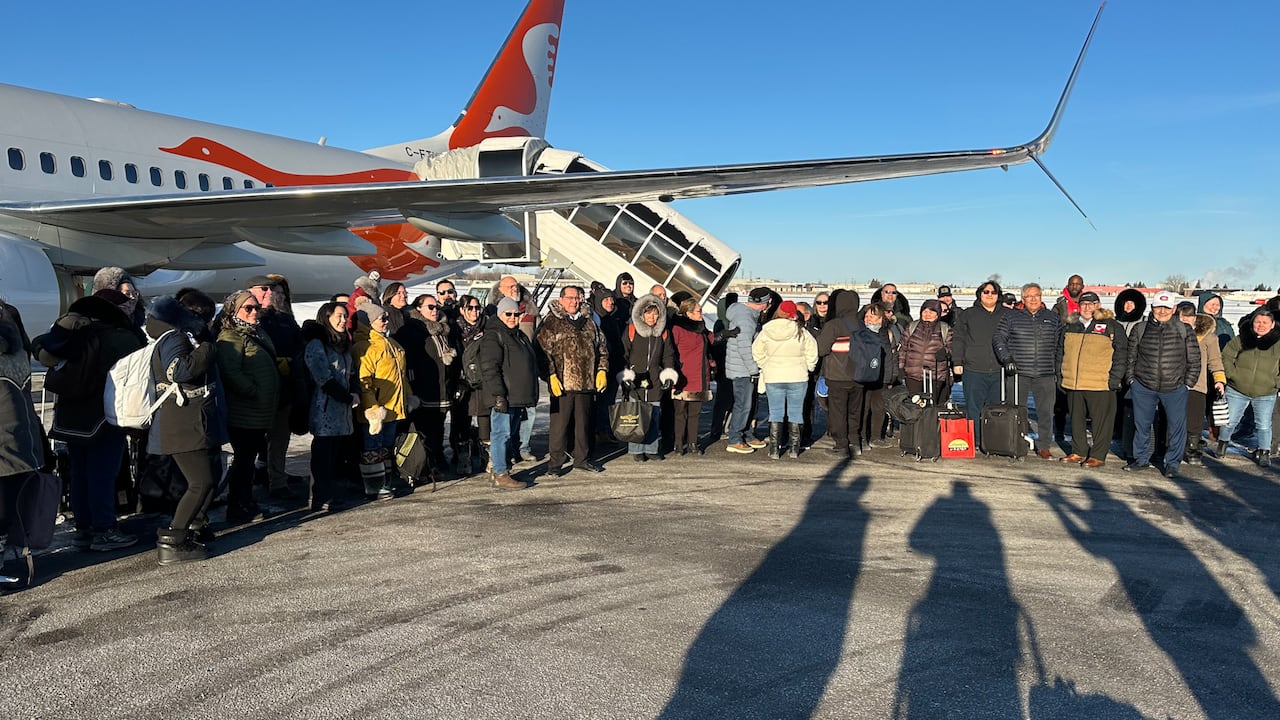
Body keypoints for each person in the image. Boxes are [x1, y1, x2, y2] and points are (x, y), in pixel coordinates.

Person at [33, 290, 146, 552]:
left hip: (70, 416)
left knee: (81, 474)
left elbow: (40, 344)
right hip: (103, 414)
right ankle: (105, 530)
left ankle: (83, 530)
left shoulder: (71, 335)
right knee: (102, 475)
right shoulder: (120, 338)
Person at [144, 292, 226, 564]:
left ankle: (191, 528)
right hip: (182, 423)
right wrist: (207, 347)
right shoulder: (175, 338)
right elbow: (178, 371)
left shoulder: (175, 338)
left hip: (188, 421)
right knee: (200, 482)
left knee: (207, 479)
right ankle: (174, 539)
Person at [215, 290, 281, 523]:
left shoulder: (257, 333)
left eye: (256, 308)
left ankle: (246, 500)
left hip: (260, 410)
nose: (255, 313)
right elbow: (231, 372)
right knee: (243, 461)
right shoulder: (230, 337)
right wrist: (253, 391)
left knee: (249, 459)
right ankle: (237, 505)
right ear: (234, 312)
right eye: (248, 308)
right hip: (244, 412)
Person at [1123, 290, 1201, 478]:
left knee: (1176, 427)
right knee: (1142, 425)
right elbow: (1131, 357)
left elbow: (1195, 360)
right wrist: (1132, 380)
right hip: (1144, 385)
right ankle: (1140, 459)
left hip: (1175, 388)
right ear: (1152, 307)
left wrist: (1187, 384)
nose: (1162, 311)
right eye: (1159, 307)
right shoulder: (1140, 328)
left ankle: (1172, 463)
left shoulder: (1184, 329)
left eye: (1167, 307)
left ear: (1174, 308)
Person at [243, 274, 305, 500]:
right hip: (254, 390)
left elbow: (298, 344)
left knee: (280, 437)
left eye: (273, 290)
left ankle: (277, 481)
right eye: (264, 289)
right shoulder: (242, 318)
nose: (270, 294)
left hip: (283, 386)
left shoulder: (283, 318)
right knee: (252, 441)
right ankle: (248, 483)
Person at [537, 286, 608, 476]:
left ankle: (582, 459)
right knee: (559, 428)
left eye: (576, 298)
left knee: (583, 425)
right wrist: (550, 374)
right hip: (562, 385)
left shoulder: (589, 322)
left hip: (586, 383)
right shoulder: (551, 323)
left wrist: (602, 370)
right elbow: (543, 353)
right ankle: (555, 465)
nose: (573, 302)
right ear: (561, 300)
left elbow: (602, 348)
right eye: (569, 298)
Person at [993, 283, 1063, 460]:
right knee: (1017, 411)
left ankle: (1044, 446)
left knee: (1046, 412)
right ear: (1023, 299)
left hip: (1045, 373)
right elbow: (999, 338)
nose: (1033, 299)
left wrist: (1057, 368)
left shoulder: (1052, 318)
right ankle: (1016, 442)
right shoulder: (1011, 316)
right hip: (1019, 372)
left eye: (1036, 295)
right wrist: (1006, 358)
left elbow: (1060, 345)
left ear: (1041, 297)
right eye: (1029, 296)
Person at [1057, 292, 1127, 467]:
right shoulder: (1070, 326)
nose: (1087, 307)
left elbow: (1121, 354)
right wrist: (1060, 375)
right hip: (1074, 382)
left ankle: (1098, 454)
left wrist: (1115, 377)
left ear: (1098, 305)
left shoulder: (1111, 326)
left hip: (1100, 383)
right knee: (1076, 420)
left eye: (1091, 304)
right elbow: (1059, 352)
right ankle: (1078, 450)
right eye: (1083, 304)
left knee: (1102, 422)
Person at [301, 302, 358, 512]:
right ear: (327, 317)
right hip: (324, 407)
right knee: (323, 454)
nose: (344, 321)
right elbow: (322, 377)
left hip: (342, 410)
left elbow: (350, 373)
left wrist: (354, 392)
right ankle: (319, 496)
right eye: (339, 316)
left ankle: (332, 491)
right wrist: (346, 397)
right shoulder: (317, 344)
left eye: (345, 317)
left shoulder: (342, 343)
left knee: (335, 455)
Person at [352, 303, 410, 499]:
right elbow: (364, 381)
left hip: (394, 407)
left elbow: (401, 376)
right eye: (381, 319)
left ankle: (386, 481)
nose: (386, 322)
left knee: (385, 446)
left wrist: (409, 397)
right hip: (376, 411)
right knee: (372, 447)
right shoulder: (365, 347)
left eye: (386, 318)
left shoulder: (391, 344)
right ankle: (374, 485)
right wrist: (372, 409)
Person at [479, 297, 537, 488]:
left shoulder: (518, 335)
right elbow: (490, 367)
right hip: (503, 395)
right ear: (500, 315)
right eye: (508, 314)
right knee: (501, 434)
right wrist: (498, 395)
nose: (513, 318)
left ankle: (500, 469)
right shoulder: (494, 335)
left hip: (517, 396)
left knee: (509, 434)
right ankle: (500, 472)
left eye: (516, 314)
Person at [752, 300, 818, 459]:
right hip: (797, 376)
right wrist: (809, 367)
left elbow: (757, 351)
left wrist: (765, 364)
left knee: (775, 412)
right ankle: (794, 449)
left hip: (774, 376)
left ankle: (774, 450)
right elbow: (812, 351)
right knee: (796, 412)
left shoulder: (766, 330)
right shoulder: (801, 331)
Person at [1216, 309, 1280, 467]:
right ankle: (1222, 443)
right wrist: (1232, 374)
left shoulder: (1277, 343)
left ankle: (1264, 452)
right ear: (1252, 323)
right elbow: (1227, 356)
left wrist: (1276, 382)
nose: (1261, 325)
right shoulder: (1242, 339)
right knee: (1230, 421)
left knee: (1264, 425)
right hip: (1237, 389)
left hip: (1266, 392)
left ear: (1272, 325)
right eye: (1258, 322)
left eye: (1265, 322)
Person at [619, 294, 678, 461]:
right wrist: (625, 376)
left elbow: (668, 355)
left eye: (655, 314)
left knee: (653, 414)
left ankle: (651, 448)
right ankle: (637, 449)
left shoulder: (663, 333)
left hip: (654, 379)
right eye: (648, 313)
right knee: (636, 415)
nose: (652, 317)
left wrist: (668, 374)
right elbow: (623, 354)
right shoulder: (631, 330)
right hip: (635, 379)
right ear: (641, 314)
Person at [491, 275, 540, 461]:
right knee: (509, 416)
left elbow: (536, 336)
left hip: (528, 368)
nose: (515, 288)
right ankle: (508, 451)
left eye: (516, 285)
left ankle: (524, 446)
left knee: (530, 412)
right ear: (500, 290)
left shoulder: (529, 310)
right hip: (508, 372)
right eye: (510, 286)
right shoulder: (496, 312)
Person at [952, 281, 1007, 446]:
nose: (990, 295)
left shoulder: (1006, 314)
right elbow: (959, 339)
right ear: (979, 294)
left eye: (993, 292)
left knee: (994, 408)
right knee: (974, 408)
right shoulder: (968, 314)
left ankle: (991, 441)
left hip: (999, 370)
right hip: (973, 369)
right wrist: (957, 361)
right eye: (986, 292)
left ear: (998, 295)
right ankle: (975, 440)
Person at [816, 289, 868, 457]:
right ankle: (855, 442)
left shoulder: (834, 325)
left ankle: (841, 445)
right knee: (855, 411)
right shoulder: (861, 324)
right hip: (859, 376)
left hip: (838, 376)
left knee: (838, 412)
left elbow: (821, 349)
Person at [723, 287, 772, 453]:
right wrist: (753, 369)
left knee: (749, 404)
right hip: (742, 369)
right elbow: (745, 347)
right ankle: (735, 438)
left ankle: (747, 433)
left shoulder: (745, 314)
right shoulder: (746, 319)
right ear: (765, 304)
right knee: (743, 404)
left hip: (741, 367)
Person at [669, 296, 718, 455]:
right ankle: (678, 443)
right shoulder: (677, 329)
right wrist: (673, 370)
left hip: (699, 376)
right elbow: (671, 351)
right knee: (680, 413)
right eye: (698, 311)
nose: (701, 314)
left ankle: (692, 443)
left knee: (695, 413)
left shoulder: (701, 328)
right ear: (688, 313)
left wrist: (724, 334)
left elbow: (712, 340)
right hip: (683, 376)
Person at [1179, 305, 1226, 466]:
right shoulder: (1170, 332)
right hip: (1172, 383)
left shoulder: (1208, 338)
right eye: (1181, 315)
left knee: (1194, 420)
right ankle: (1172, 448)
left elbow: (1215, 360)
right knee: (1173, 419)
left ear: (1195, 317)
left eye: (1189, 316)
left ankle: (1193, 449)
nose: (1185, 319)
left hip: (1197, 384)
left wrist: (1219, 379)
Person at [455, 294, 490, 474]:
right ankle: (463, 457)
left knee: (485, 417)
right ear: (462, 310)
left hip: (483, 380)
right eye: (470, 308)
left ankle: (487, 456)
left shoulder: (487, 326)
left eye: (477, 308)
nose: (475, 311)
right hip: (463, 382)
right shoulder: (455, 329)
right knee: (462, 419)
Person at [898, 299, 952, 405]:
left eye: (931, 312)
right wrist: (900, 367)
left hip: (935, 375)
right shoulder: (911, 327)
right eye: (925, 311)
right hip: (913, 374)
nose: (928, 314)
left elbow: (952, 347)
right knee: (914, 405)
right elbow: (903, 349)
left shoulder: (945, 329)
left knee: (930, 406)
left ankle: (930, 421)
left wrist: (945, 352)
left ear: (938, 314)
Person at [591, 287, 626, 446]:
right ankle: (598, 431)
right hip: (601, 369)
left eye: (612, 299)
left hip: (615, 367)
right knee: (600, 403)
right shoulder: (596, 321)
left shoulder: (613, 319)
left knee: (609, 402)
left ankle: (604, 430)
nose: (610, 302)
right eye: (606, 300)